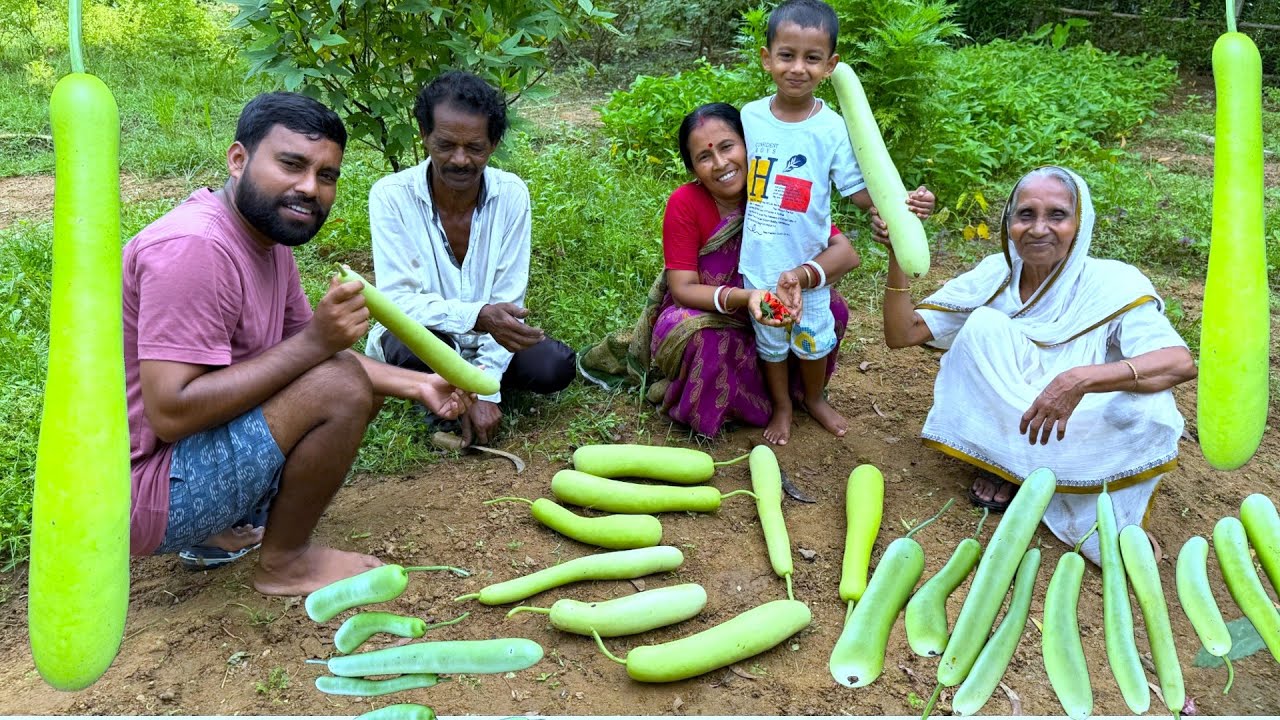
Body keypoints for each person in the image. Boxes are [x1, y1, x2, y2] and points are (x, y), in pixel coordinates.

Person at [124, 92, 474, 596]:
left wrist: (419, 384)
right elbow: (172, 412)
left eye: (327, 175)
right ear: (238, 159)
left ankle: (217, 532)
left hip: (185, 463)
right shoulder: (194, 248)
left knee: (353, 379)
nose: (309, 188)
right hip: (148, 494)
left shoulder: (266, 237)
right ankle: (283, 563)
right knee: (341, 383)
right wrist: (316, 341)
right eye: (291, 164)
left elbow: (311, 357)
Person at [879, 166, 1197, 563]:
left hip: (1078, 422)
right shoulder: (997, 273)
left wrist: (1078, 380)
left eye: (1057, 216)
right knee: (982, 325)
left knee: (1149, 405)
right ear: (1008, 222)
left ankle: (1057, 480)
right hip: (1021, 416)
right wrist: (897, 253)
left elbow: (1179, 362)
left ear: (1081, 223)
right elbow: (902, 334)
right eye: (1025, 215)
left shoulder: (1113, 283)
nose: (1038, 229)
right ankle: (1007, 464)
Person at [579, 103, 927, 440]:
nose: (721, 163)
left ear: (751, 145)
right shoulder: (685, 203)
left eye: (728, 147)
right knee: (706, 342)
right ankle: (763, 406)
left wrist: (798, 276)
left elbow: (846, 254)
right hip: (718, 312)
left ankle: (807, 396)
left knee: (830, 309)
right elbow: (683, 288)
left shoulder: (772, 190)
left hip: (777, 301)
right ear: (692, 169)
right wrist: (748, 298)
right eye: (704, 157)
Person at [740, 0, 933, 444]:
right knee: (771, 343)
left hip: (812, 267)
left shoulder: (832, 128)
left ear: (831, 65)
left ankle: (814, 397)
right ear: (766, 57)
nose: (797, 68)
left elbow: (862, 192)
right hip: (761, 265)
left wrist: (902, 207)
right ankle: (783, 406)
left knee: (812, 340)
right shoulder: (749, 117)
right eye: (786, 55)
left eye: (812, 58)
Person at [364, 71, 576, 448]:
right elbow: (396, 303)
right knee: (409, 343)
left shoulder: (511, 195)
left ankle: (452, 397)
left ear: (493, 143)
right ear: (425, 136)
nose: (460, 160)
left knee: (553, 366)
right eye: (445, 144)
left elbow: (508, 303)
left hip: (489, 338)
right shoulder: (390, 196)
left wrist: (486, 392)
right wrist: (478, 315)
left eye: (475, 147)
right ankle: (441, 394)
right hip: (423, 337)